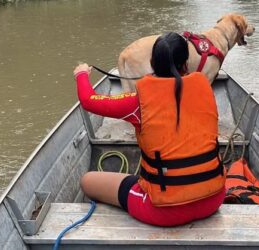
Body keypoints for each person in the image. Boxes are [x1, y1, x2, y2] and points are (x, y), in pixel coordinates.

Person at [73, 32, 226, 226]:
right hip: (213, 200)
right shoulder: (205, 89)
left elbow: (89, 101)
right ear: (186, 64)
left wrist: (81, 74)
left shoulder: (138, 103)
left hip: (163, 211)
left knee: (88, 181)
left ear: (152, 63)